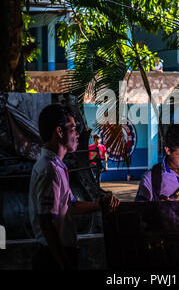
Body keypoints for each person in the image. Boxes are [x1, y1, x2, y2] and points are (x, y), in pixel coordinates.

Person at [29, 104, 119, 270]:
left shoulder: (57, 166)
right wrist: (64, 263)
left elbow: (69, 205)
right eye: (73, 129)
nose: (78, 135)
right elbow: (47, 223)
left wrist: (99, 205)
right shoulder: (49, 169)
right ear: (59, 131)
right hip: (53, 257)